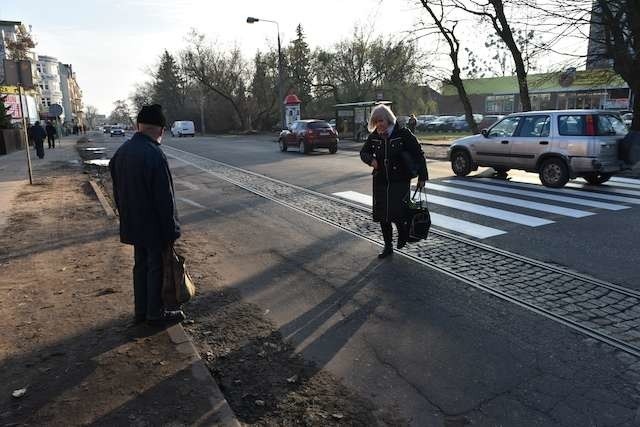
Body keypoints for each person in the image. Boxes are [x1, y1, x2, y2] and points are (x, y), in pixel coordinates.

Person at [109, 104, 185, 326]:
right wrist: (172, 230)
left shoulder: (121, 152)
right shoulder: (154, 155)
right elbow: (164, 199)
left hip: (132, 222)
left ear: (138, 126)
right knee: (156, 267)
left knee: (140, 266)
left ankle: (140, 311)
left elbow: (117, 193)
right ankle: (155, 313)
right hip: (154, 226)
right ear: (161, 130)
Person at [360, 104, 428, 259]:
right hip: (380, 180)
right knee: (383, 216)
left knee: (398, 213)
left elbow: (419, 154)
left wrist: (423, 177)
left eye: (381, 120)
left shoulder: (403, 133)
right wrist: (371, 160)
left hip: (400, 180)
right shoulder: (375, 136)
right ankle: (388, 246)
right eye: (376, 121)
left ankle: (403, 233)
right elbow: (364, 152)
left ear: (388, 119)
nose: (379, 124)